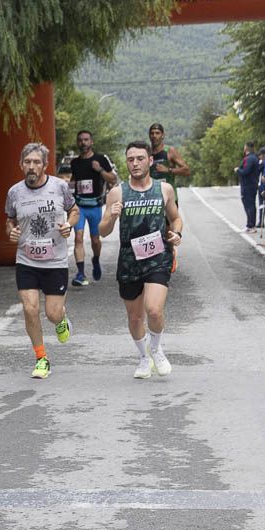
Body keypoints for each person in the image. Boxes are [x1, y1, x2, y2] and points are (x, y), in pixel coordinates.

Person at [99, 141, 184, 379]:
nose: (135, 163)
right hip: (129, 260)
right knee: (135, 317)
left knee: (154, 310)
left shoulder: (164, 189)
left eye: (139, 158)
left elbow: (176, 219)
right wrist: (112, 217)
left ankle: (156, 348)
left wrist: (176, 233)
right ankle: (144, 357)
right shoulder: (117, 193)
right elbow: (103, 231)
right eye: (130, 159)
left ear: (149, 161)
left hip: (158, 256)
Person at [6, 143, 79, 379]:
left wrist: (69, 224)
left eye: (36, 162)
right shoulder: (14, 192)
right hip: (26, 259)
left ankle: (62, 320)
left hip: (55, 260)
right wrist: (11, 232)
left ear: (45, 165)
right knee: (30, 309)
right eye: (27, 162)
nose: (31, 166)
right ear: (21, 165)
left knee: (52, 313)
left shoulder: (59, 187)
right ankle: (41, 358)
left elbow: (74, 210)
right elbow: (9, 220)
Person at [69, 130, 116, 285]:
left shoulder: (100, 159)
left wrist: (100, 170)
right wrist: (69, 191)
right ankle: (81, 274)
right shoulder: (74, 163)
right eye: (80, 140)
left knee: (95, 240)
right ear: (78, 142)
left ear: (92, 142)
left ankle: (96, 259)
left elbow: (113, 179)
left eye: (86, 140)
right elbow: (74, 180)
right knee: (78, 238)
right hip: (79, 206)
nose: (83, 143)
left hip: (95, 206)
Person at [148, 123, 190, 198]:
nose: (154, 136)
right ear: (149, 136)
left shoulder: (170, 151)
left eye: (157, 133)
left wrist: (168, 170)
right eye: (152, 133)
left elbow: (186, 171)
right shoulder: (146, 153)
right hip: (152, 198)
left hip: (170, 198)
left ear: (163, 135)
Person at [235, 141, 259, 233]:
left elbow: (245, 171)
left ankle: (251, 225)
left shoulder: (249, 158)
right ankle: (250, 224)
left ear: (246, 147)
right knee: (250, 205)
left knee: (249, 205)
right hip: (251, 184)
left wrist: (238, 170)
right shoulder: (254, 157)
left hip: (248, 185)